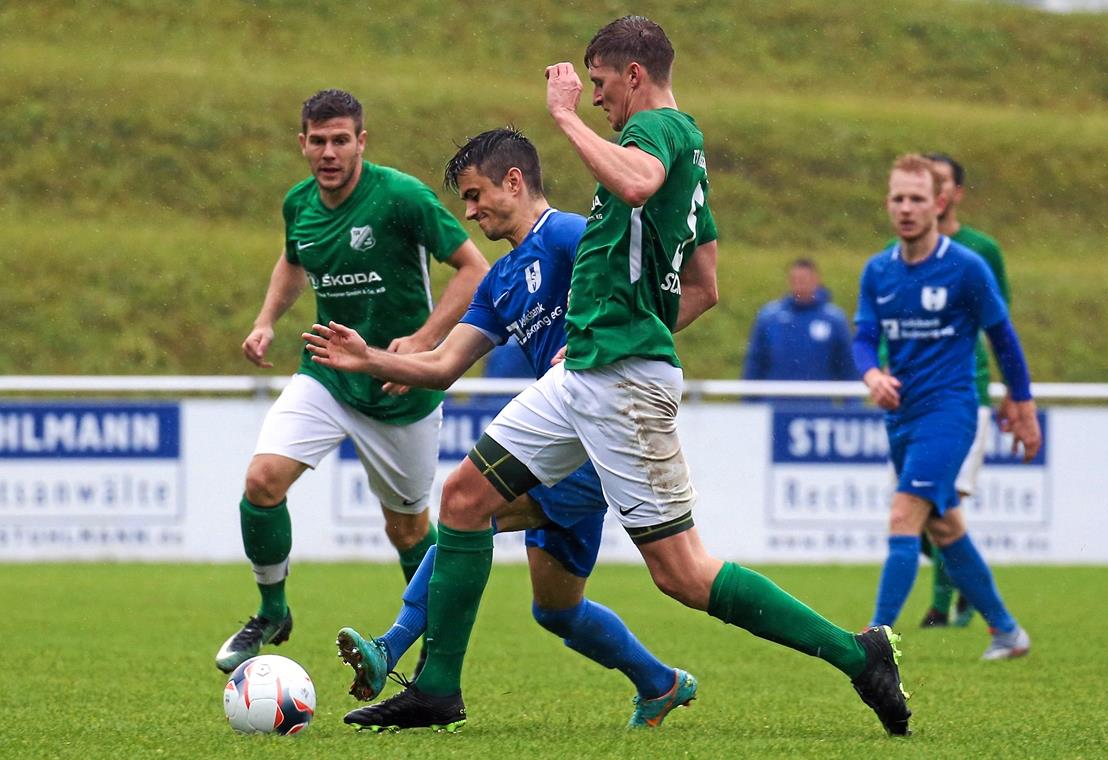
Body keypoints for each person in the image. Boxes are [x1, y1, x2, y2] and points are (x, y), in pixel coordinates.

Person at [308, 16, 910, 737]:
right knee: (463, 498)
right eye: (583, 91)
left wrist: (560, 118)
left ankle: (857, 654)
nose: (592, 98)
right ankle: (436, 688)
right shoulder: (675, 164)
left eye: (597, 83)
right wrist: (373, 357)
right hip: (588, 371)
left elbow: (635, 184)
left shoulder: (659, 134)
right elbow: (705, 282)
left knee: (682, 574)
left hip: (622, 381)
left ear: (634, 75)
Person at [308, 126, 692, 730]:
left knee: (467, 508)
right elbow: (440, 367)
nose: (468, 210)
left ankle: (393, 646)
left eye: (474, 193)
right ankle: (661, 681)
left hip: (594, 440)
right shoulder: (501, 278)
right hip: (559, 444)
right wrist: (368, 357)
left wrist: (594, 346)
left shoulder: (569, 234)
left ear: (514, 182)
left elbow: (647, 294)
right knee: (557, 611)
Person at [214, 89, 489, 673]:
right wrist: (266, 321)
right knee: (262, 481)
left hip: (399, 387)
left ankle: (431, 651)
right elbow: (294, 259)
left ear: (362, 141)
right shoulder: (300, 204)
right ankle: (272, 610)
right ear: (303, 144)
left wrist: (423, 343)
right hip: (328, 372)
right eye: (319, 141)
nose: (330, 152)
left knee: (408, 528)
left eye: (342, 140)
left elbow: (474, 268)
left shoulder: (401, 197)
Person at [853, 153, 1040, 661]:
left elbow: (1003, 340)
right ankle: (1006, 631)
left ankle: (876, 642)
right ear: (887, 204)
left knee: (904, 513)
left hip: (952, 411)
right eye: (898, 198)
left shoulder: (966, 267)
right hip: (902, 415)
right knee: (944, 525)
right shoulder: (878, 270)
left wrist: (1021, 402)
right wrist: (872, 373)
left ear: (939, 203)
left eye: (917, 198)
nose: (906, 208)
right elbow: (864, 337)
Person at [915, 153, 1013, 629]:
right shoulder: (903, 255)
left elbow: (1000, 326)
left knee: (938, 501)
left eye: (940, 182)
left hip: (963, 393)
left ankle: (942, 607)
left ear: (953, 194)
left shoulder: (979, 251)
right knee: (919, 516)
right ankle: (972, 586)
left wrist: (1015, 394)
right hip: (915, 396)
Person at [742, 258, 858, 384]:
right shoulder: (770, 317)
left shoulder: (834, 319)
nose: (799, 285)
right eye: (794, 280)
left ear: (816, 280)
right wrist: (750, 401)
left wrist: (852, 402)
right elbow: (755, 362)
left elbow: (847, 365)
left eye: (803, 280)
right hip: (777, 400)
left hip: (819, 401)